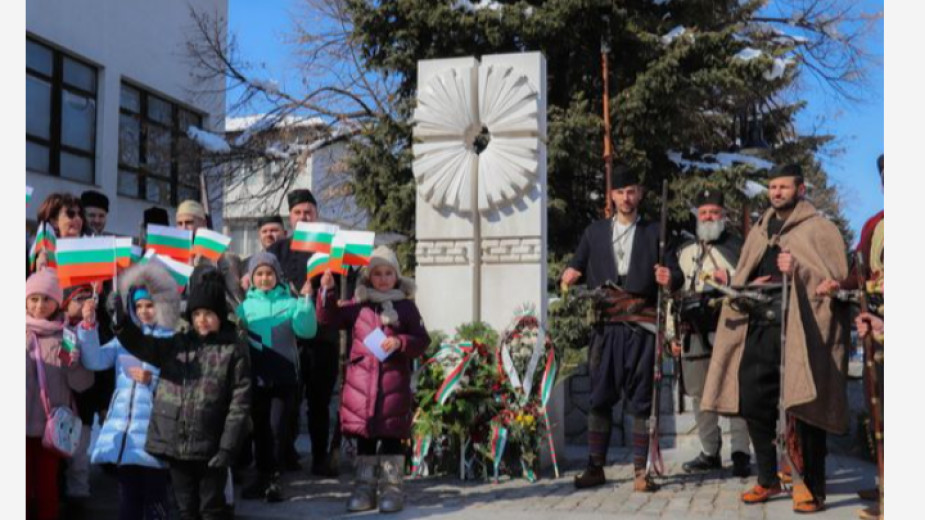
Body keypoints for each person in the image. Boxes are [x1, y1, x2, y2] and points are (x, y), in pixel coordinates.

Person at [701, 164, 850, 513]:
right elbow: (746, 270)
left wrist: (797, 268)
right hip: (760, 323)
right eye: (772, 187)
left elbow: (836, 280)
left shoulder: (819, 228)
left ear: (800, 189)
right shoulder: (760, 227)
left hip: (802, 328)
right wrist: (739, 283)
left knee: (802, 404)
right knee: (753, 399)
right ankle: (768, 478)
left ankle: (808, 486)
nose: (777, 193)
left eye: (784, 187)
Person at [111, 265, 252, 520]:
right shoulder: (178, 343)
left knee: (211, 510)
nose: (202, 320)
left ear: (220, 314)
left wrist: (227, 448)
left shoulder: (233, 350)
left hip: (212, 448)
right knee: (184, 510)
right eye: (197, 313)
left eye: (208, 313)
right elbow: (143, 346)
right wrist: (121, 322)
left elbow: (239, 405)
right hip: (178, 449)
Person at [561, 162, 668, 492]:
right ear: (611, 195)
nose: (626, 197)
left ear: (640, 194)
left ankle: (640, 471)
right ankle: (595, 468)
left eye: (631, 191)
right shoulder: (594, 232)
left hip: (641, 326)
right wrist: (569, 273)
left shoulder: (656, 232)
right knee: (600, 396)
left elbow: (674, 273)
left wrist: (670, 277)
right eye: (620, 191)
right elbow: (576, 264)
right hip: (606, 327)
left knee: (640, 399)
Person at [317, 246, 430, 513]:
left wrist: (401, 342)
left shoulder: (406, 307)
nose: (382, 278)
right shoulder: (358, 306)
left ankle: (392, 488)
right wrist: (327, 290)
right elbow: (328, 317)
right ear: (369, 276)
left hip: (392, 386)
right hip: (361, 387)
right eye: (377, 273)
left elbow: (422, 341)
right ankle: (363, 488)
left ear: (397, 276)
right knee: (364, 438)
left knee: (391, 437)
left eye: (388, 273)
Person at [661, 189, 751, 477]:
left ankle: (740, 452)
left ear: (723, 216)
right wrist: (670, 336)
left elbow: (753, 285)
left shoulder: (739, 247)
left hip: (730, 328)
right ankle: (710, 451)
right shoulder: (683, 251)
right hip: (692, 331)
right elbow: (672, 296)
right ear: (698, 217)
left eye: (714, 212)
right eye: (704, 213)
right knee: (700, 395)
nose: (709, 217)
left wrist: (733, 280)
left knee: (735, 392)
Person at [81, 262, 179, 520]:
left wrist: (153, 379)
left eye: (150, 305)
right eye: (139, 306)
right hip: (124, 433)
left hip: (154, 433)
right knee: (127, 501)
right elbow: (95, 361)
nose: (145, 311)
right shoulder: (124, 339)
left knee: (155, 500)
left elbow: (180, 384)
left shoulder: (171, 338)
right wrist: (88, 328)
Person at [267, 188, 341, 476]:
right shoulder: (278, 250)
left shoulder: (332, 247)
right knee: (286, 401)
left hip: (323, 339)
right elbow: (264, 281)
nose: (303, 217)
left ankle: (320, 457)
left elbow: (352, 280)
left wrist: (331, 285)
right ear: (291, 217)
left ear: (317, 214)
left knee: (320, 402)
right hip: (288, 340)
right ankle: (285, 456)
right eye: (298, 213)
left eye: (308, 211)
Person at [236, 252, 317, 502]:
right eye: (259, 274)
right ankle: (261, 476)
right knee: (259, 429)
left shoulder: (291, 303)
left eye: (268, 273)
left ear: (277, 276)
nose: (264, 278)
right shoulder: (244, 307)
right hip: (256, 377)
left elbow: (307, 330)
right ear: (251, 278)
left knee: (276, 429)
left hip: (283, 378)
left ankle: (273, 479)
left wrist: (305, 302)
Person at [26, 269, 94, 520]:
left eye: (46, 299)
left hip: (50, 429)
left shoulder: (66, 336)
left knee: (47, 489)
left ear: (57, 301)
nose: (39, 305)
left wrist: (74, 364)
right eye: (33, 299)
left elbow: (83, 384)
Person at [32, 193, 86, 272]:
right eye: (70, 214)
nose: (78, 218)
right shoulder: (41, 253)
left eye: (80, 215)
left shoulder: (88, 252)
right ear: (54, 221)